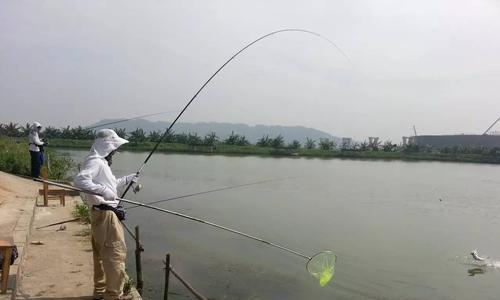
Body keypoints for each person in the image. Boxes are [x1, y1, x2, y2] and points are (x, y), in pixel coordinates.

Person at [74, 129, 138, 300]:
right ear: (107, 147)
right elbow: (80, 180)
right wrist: (103, 191)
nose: (115, 152)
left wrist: (126, 180)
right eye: (114, 149)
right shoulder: (95, 161)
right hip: (107, 217)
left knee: (101, 257)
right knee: (115, 256)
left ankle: (101, 293)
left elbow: (109, 186)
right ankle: (113, 295)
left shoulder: (100, 162)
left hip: (100, 215)